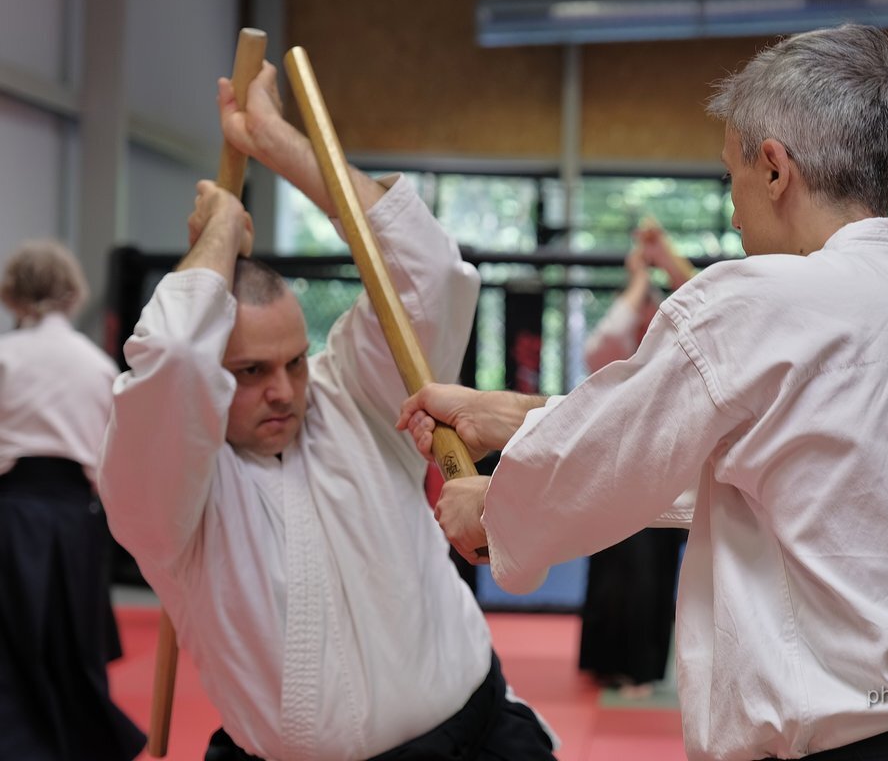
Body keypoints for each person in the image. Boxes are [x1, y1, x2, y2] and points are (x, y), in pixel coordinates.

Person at [402, 24, 888, 761]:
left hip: (828, 743)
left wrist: (496, 509)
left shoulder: (757, 299)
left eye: (730, 177)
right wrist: (513, 415)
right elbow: (801, 486)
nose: (732, 212)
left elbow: (620, 457)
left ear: (773, 168)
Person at [98, 63, 556, 761]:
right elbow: (174, 361)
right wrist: (220, 228)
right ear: (212, 388)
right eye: (250, 372)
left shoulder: (357, 403)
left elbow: (426, 271)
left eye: (294, 360)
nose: (284, 389)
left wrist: (276, 141)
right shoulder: (168, 503)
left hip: (479, 736)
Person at [0, 241, 146, 761]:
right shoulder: (97, 364)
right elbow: (113, 451)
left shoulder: (4, 355)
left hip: (11, 509)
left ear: (13, 292)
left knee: (9, 637)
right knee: (73, 635)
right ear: (71, 291)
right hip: (75, 514)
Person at [577, 218, 691, 699]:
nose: (648, 317)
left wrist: (663, 256)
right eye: (644, 309)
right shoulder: (617, 356)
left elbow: (710, 298)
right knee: (611, 574)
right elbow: (602, 339)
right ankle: (605, 664)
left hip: (665, 480)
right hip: (612, 478)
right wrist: (640, 279)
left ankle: (642, 670)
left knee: (649, 576)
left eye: (655, 310)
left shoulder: (681, 353)